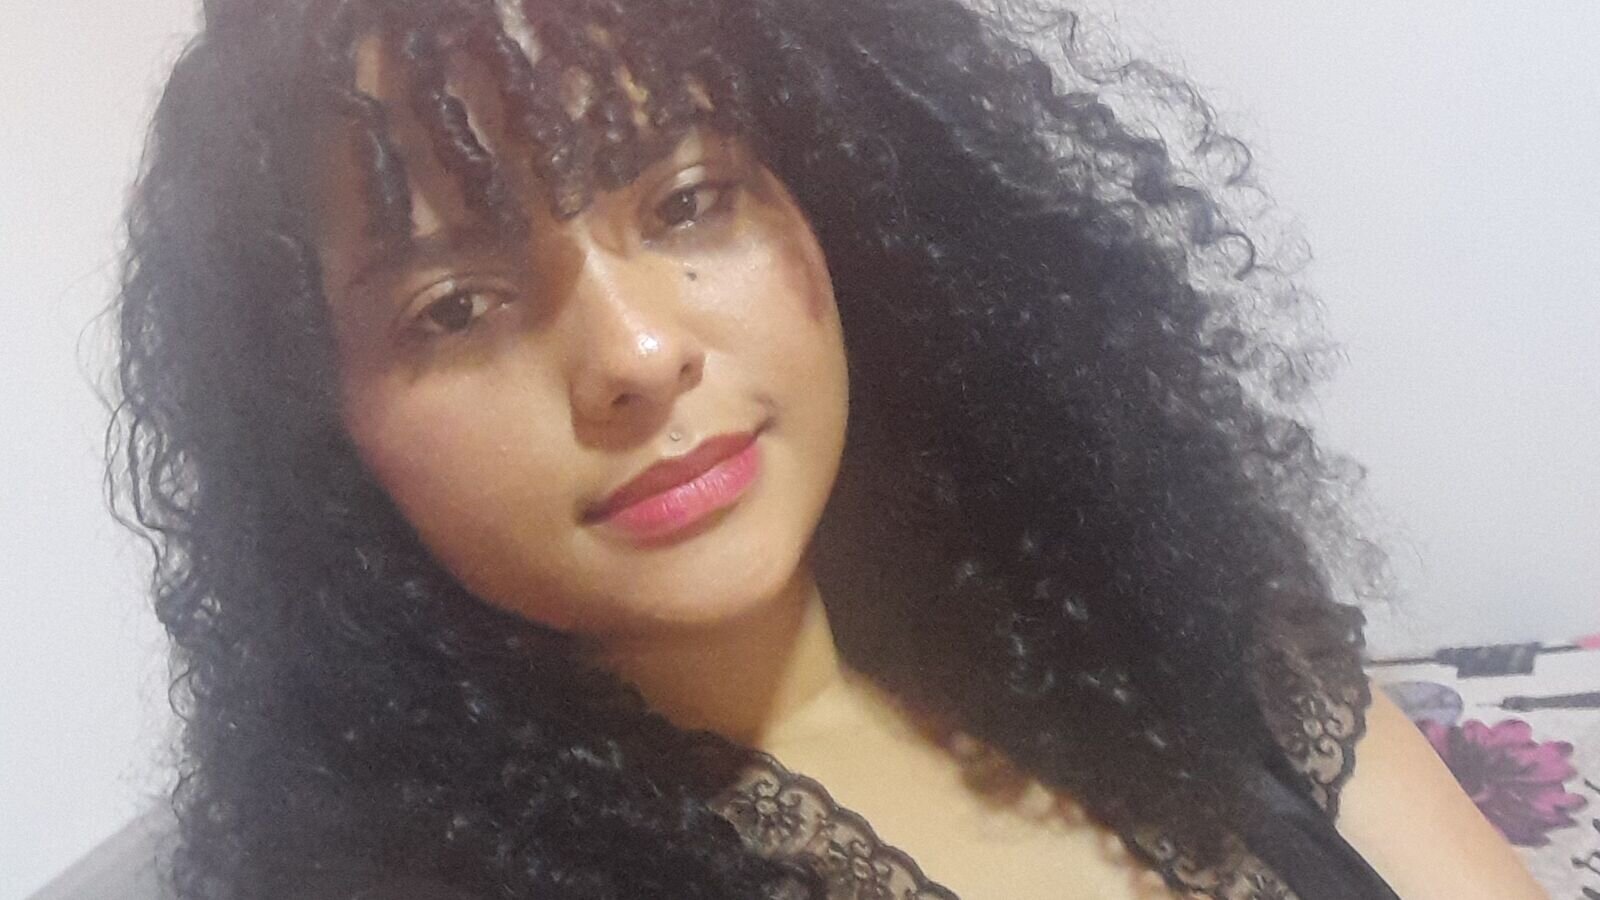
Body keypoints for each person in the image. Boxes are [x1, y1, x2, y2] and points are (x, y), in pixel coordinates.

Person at [106, 0, 1544, 897]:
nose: (635, 354)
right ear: (322, 432)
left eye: (687, 202)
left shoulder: (1161, 620)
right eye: (455, 306)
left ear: (845, 208)